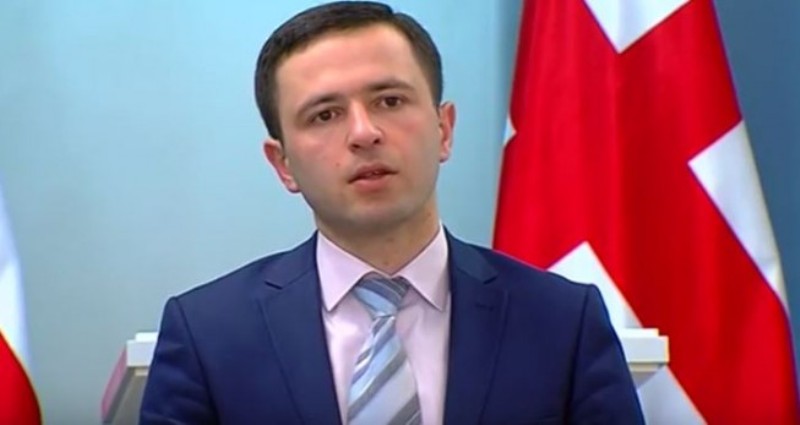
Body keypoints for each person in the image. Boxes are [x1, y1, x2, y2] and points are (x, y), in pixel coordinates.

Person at [139, 1, 644, 424]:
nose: (364, 133)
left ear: (444, 130)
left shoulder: (563, 321)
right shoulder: (208, 335)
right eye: (325, 114)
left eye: (389, 101)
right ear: (283, 164)